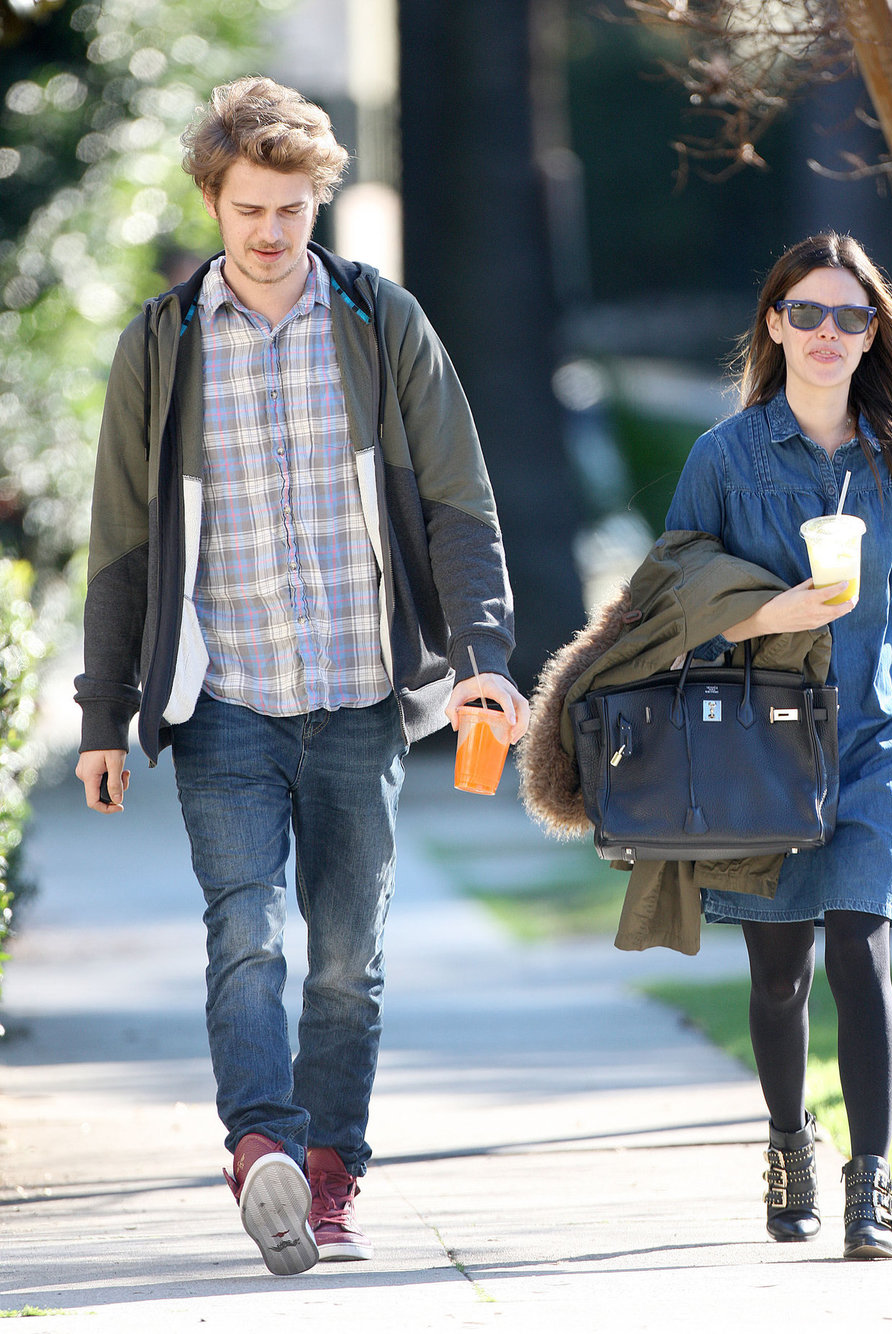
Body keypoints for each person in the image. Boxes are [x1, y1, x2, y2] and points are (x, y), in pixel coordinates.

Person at [73, 76, 529, 1276]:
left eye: (290, 209)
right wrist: (105, 715)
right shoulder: (160, 347)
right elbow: (120, 542)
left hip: (358, 696)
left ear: (316, 200)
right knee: (246, 933)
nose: (271, 234)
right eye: (249, 210)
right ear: (213, 204)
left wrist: (482, 659)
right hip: (221, 699)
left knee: (344, 956)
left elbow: (457, 503)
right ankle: (262, 1147)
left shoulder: (380, 324)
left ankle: (332, 1179)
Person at [664, 233, 892, 1260]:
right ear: (772, 322)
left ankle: (868, 1182)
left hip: (876, 731)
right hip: (761, 738)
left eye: (848, 316)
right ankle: (788, 1140)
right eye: (805, 312)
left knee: (856, 943)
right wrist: (763, 612)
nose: (825, 333)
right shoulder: (724, 455)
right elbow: (671, 598)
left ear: (873, 329)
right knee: (777, 971)